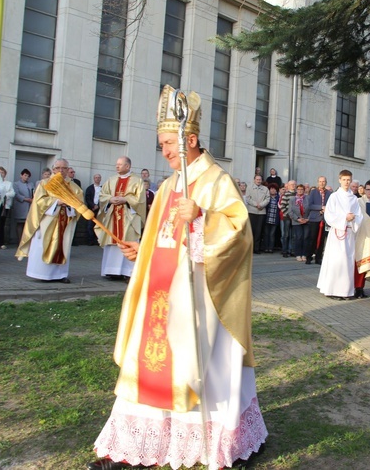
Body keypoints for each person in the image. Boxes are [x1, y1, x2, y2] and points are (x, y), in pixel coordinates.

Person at [90, 85, 267, 470]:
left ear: (191, 139)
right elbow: (163, 236)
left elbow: (239, 235)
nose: (165, 152)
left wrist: (203, 217)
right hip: (160, 292)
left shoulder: (217, 180)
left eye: (169, 144)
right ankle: (138, 446)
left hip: (201, 297)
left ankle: (219, 442)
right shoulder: (169, 184)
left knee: (198, 366)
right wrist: (144, 250)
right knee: (149, 360)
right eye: (162, 144)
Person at [15, 158, 82, 283]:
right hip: (47, 221)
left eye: (64, 168)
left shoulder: (74, 187)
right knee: (42, 245)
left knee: (63, 245)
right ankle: (42, 274)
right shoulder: (44, 183)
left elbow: (80, 204)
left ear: (68, 170)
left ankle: (60, 275)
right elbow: (39, 201)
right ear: (53, 169)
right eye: (58, 168)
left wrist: (70, 205)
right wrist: (57, 202)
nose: (61, 171)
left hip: (65, 221)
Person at [96, 157, 146, 280]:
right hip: (113, 215)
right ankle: (111, 271)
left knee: (127, 241)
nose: (117, 166)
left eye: (120, 164)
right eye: (116, 164)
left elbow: (141, 200)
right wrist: (110, 199)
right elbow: (103, 194)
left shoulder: (137, 181)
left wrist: (126, 199)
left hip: (129, 216)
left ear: (127, 166)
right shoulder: (111, 180)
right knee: (112, 241)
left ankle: (128, 272)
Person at [317, 170, 363, 300]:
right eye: (344, 180)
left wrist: (353, 218)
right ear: (339, 180)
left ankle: (346, 291)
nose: (346, 182)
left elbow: (359, 215)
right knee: (337, 261)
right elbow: (329, 214)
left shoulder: (354, 198)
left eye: (349, 180)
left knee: (348, 261)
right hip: (337, 232)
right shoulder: (334, 196)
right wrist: (345, 218)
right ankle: (332, 290)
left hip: (349, 233)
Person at [353, 181, 370, 298]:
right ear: (364, 189)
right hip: (360, 236)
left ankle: (361, 288)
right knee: (357, 263)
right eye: (368, 189)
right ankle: (355, 288)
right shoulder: (359, 202)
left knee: (366, 263)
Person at [306, 176, 329, 265]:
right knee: (312, 239)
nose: (322, 183)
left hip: (324, 219)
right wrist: (321, 207)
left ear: (326, 182)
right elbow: (310, 205)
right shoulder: (313, 192)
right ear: (317, 182)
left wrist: (326, 209)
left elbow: (330, 205)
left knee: (322, 239)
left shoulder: (329, 193)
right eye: (320, 181)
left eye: (323, 181)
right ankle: (309, 257)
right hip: (314, 219)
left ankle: (318, 258)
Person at [245, 174, 269, 254]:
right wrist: (256, 204)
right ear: (254, 180)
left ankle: (256, 248)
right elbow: (248, 198)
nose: (258, 181)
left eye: (260, 179)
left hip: (261, 212)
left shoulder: (265, 189)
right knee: (251, 230)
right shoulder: (249, 187)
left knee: (259, 231)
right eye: (257, 179)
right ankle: (249, 249)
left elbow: (267, 198)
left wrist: (261, 205)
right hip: (252, 211)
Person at [288, 183, 310, 262]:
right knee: (299, 237)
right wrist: (297, 218)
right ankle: (298, 254)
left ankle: (304, 254)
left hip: (306, 221)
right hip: (297, 221)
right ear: (296, 190)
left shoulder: (308, 198)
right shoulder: (292, 199)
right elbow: (290, 211)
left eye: (302, 189)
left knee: (305, 237)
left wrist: (308, 219)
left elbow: (311, 209)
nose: (300, 191)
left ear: (304, 190)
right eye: (298, 189)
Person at [0, 166, 15, 249]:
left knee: (1, 224)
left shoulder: (8, 183)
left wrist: (3, 194)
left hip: (4, 206)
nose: (0, 174)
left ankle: (0, 242)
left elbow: (12, 193)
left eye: (2, 172)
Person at [13, 169, 34, 245]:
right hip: (21, 206)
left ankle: (26, 241)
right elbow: (16, 194)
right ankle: (20, 241)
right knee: (20, 224)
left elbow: (33, 192)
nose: (26, 177)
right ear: (21, 175)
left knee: (27, 225)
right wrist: (25, 199)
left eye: (28, 176)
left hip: (29, 206)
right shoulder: (16, 184)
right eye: (25, 175)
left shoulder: (30, 184)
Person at [279, 180, 296, 257]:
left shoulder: (297, 194)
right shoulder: (285, 194)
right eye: (291, 184)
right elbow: (282, 206)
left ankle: (291, 250)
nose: (293, 186)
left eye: (294, 184)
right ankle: (284, 251)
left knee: (293, 235)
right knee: (286, 235)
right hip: (287, 217)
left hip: (295, 218)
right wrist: (288, 214)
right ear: (288, 186)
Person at [84, 173, 103, 245]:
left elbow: (104, 198)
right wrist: (93, 205)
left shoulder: (103, 188)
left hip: (100, 210)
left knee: (98, 225)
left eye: (99, 177)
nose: (97, 179)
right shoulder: (89, 188)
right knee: (89, 225)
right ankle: (90, 240)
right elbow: (87, 198)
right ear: (94, 179)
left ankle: (97, 240)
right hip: (91, 209)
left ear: (100, 179)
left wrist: (98, 205)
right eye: (96, 177)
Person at [262, 183, 280, 253]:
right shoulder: (266, 197)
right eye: (271, 189)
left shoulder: (278, 198)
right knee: (266, 234)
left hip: (274, 218)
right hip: (267, 218)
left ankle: (271, 248)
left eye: (274, 189)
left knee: (272, 234)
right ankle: (266, 247)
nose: (272, 190)